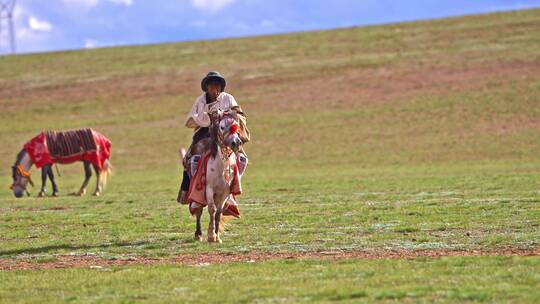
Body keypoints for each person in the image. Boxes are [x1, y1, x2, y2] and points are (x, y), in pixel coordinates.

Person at [177, 71, 249, 204]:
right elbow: (190, 119)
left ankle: (232, 190)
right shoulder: (200, 101)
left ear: (221, 87)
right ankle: (189, 191)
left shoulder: (228, 98)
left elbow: (239, 115)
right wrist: (205, 117)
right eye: (211, 86)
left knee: (242, 158)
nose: (214, 89)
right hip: (205, 133)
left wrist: (224, 114)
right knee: (190, 160)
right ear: (207, 88)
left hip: (225, 132)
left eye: (216, 86)